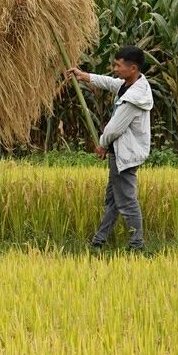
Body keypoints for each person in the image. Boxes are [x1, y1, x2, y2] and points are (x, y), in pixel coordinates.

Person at [68, 45, 154, 251]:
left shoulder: (134, 97)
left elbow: (114, 128)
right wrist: (85, 76)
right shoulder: (129, 85)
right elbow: (111, 83)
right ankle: (99, 240)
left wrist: (102, 145)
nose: (114, 69)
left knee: (126, 202)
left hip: (125, 154)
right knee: (113, 201)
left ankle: (136, 244)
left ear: (132, 68)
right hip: (120, 152)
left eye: (118, 65)